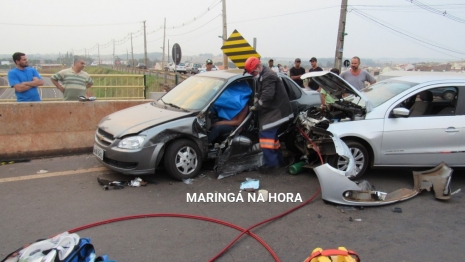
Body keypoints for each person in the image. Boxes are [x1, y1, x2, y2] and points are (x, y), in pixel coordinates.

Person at [244, 57, 293, 172]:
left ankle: (271, 165)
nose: (253, 75)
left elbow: (267, 96)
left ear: (257, 67)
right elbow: (260, 91)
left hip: (277, 112)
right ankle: (278, 161)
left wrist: (256, 106)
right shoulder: (262, 75)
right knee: (273, 139)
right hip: (273, 111)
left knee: (266, 135)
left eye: (253, 72)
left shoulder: (268, 75)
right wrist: (256, 97)